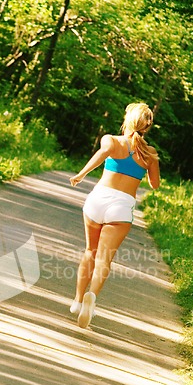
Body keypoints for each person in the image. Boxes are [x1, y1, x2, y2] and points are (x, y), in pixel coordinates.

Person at [69, 103, 160, 328]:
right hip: (121, 207)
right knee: (105, 258)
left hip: (98, 200)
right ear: (147, 127)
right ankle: (93, 296)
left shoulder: (111, 140)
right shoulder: (150, 153)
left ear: (127, 119)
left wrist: (81, 174)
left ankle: (78, 300)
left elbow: (100, 156)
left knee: (90, 251)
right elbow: (155, 185)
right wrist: (149, 165)